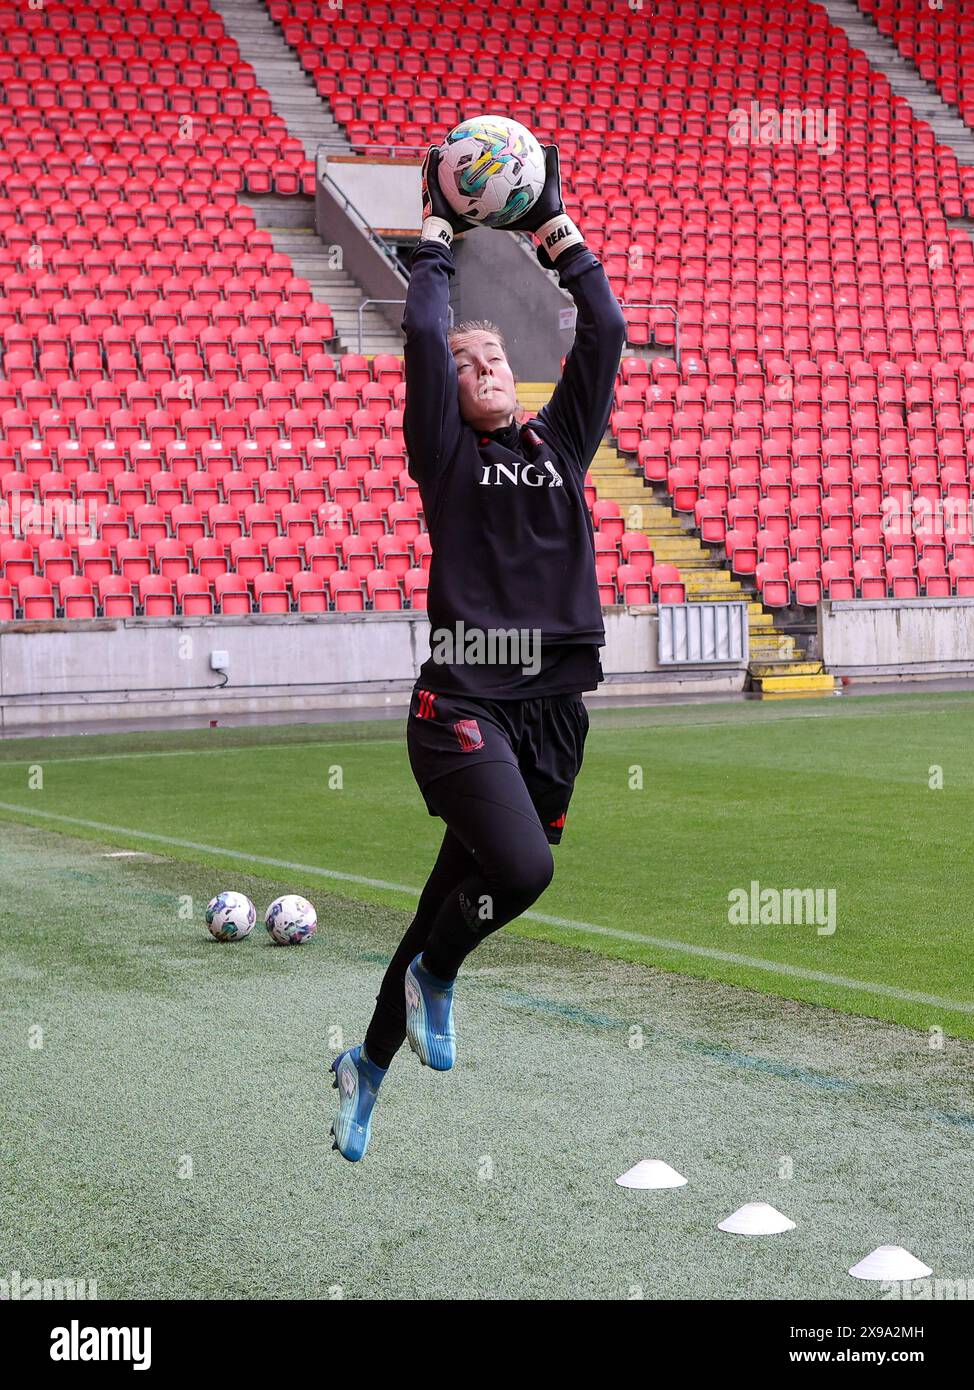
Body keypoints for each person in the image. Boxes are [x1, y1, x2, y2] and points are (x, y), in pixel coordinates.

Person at [330, 141, 627, 1160]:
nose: (481, 366)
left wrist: (553, 228)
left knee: (436, 911)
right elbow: (423, 325)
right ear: (445, 393)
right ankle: (440, 979)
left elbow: (607, 329)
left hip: (554, 712)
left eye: (492, 356)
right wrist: (437, 242)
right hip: (459, 700)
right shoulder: (443, 454)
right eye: (464, 364)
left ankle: (364, 1065)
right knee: (520, 867)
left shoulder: (560, 443)